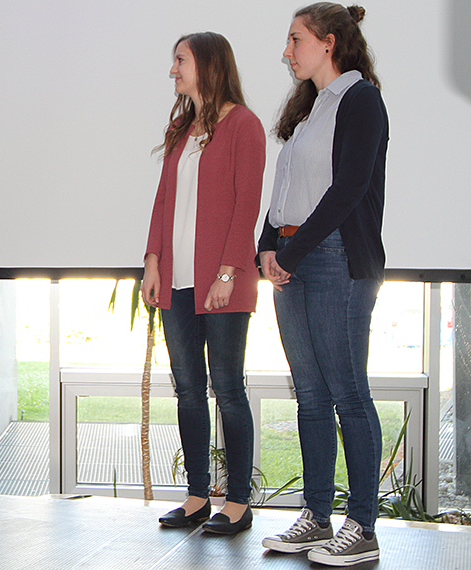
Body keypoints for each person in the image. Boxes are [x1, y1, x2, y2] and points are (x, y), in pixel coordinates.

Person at [257, 3, 388, 566]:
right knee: (309, 396)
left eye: (295, 40)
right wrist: (265, 246)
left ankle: (362, 525)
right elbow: (284, 189)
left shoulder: (361, 100)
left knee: (346, 394)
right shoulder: (312, 110)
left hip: (334, 258)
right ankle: (316, 515)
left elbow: (350, 188)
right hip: (295, 257)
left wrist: (291, 249)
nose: (288, 51)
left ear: (328, 43)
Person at [142, 32, 265, 535]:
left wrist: (228, 272)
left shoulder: (245, 125)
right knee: (189, 391)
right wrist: (152, 261)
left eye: (180, 61)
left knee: (229, 391)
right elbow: (163, 201)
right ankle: (196, 496)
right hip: (178, 282)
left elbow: (246, 205)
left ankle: (237, 501)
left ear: (208, 65)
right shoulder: (181, 131)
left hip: (223, 283)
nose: (173, 70)